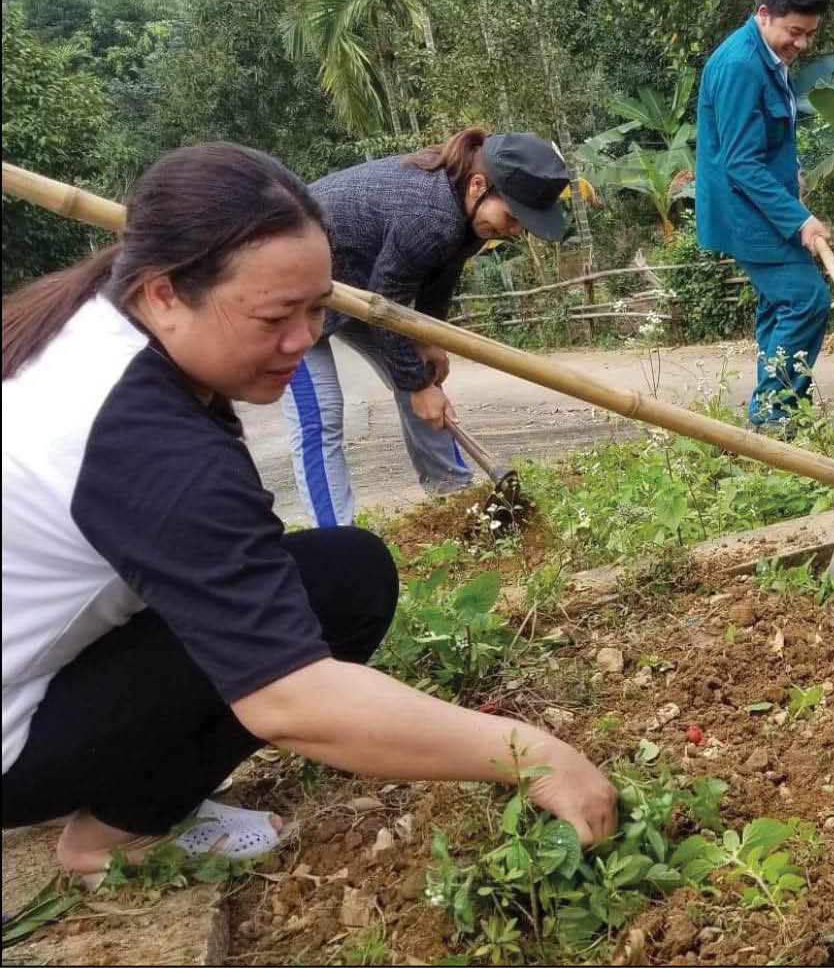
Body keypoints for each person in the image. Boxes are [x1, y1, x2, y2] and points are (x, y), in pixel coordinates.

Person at [1, 143, 614, 876]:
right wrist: (533, 754)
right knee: (331, 602)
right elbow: (290, 698)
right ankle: (110, 834)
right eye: (274, 316)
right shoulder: (150, 445)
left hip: (39, 664)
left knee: (341, 572)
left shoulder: (102, 309)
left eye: (318, 307)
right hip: (16, 743)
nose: (306, 339)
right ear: (165, 292)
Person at [284, 128, 570, 527]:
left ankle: (454, 495)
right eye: (512, 217)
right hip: (288, 290)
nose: (515, 230)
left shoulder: (466, 213)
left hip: (356, 286)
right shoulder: (428, 214)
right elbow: (388, 304)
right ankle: (334, 536)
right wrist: (418, 385)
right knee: (322, 414)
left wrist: (430, 339)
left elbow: (441, 271)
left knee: (421, 376)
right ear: (478, 185)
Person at [696, 0, 833, 429]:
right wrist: (800, 219)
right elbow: (740, 162)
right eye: (795, 32)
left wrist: (791, 173)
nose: (802, 44)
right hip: (748, 212)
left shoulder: (768, 59)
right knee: (807, 299)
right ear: (764, 15)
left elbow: (764, 143)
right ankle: (774, 416)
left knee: (779, 306)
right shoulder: (740, 66)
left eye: (810, 34)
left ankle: (775, 417)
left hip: (766, 203)